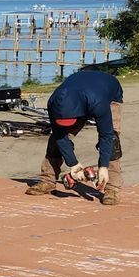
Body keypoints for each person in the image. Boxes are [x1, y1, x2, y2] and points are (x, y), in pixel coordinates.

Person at [26, 70, 124, 205]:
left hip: (107, 93)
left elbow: (106, 135)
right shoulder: (53, 103)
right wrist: (73, 164)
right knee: (56, 140)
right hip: (81, 95)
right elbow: (60, 136)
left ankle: (112, 188)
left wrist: (103, 167)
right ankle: (47, 180)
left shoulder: (98, 102)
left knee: (112, 140)